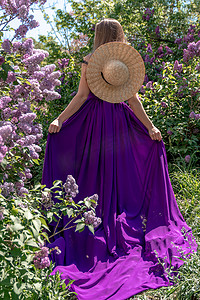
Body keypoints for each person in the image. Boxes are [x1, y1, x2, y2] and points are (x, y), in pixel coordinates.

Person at [41, 18, 197, 300]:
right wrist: (149, 127)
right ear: (118, 35)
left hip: (92, 124)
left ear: (98, 35)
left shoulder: (90, 59)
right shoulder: (117, 63)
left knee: (94, 173)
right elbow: (133, 100)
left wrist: (60, 119)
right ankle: (109, 215)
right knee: (118, 173)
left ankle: (99, 215)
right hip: (118, 123)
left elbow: (81, 97)